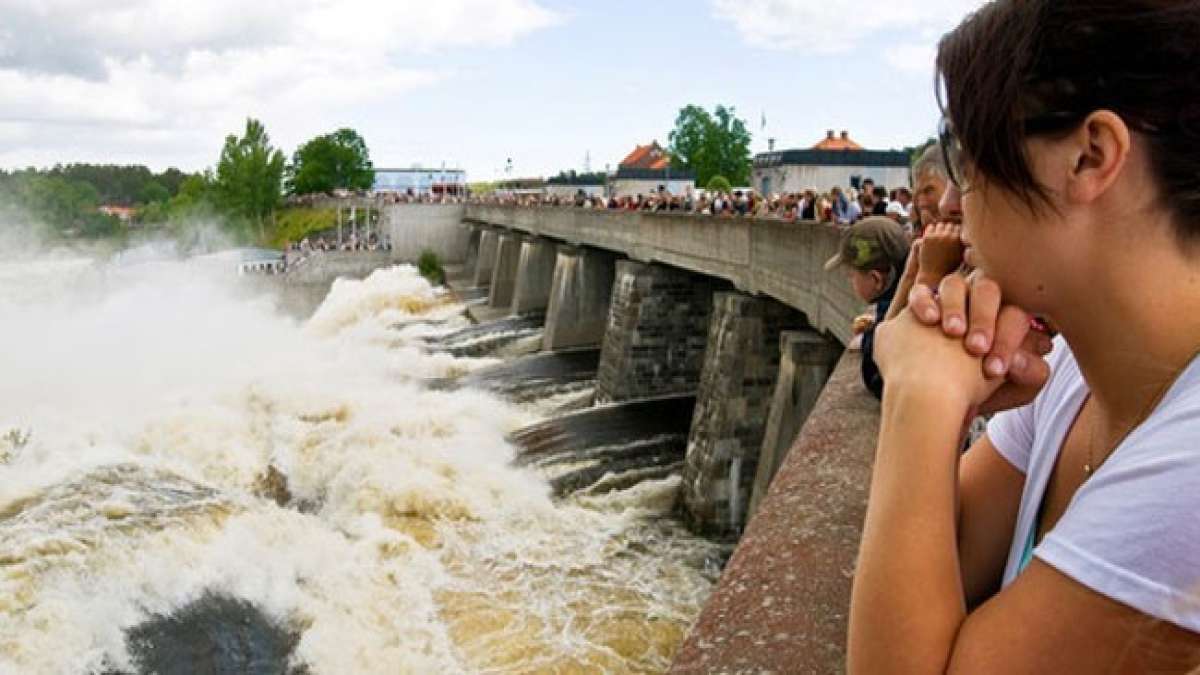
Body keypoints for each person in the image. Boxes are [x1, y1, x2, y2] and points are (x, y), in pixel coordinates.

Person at [849, 1, 1200, 672]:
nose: (954, 201)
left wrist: (920, 399)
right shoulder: (1075, 369)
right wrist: (945, 401)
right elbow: (936, 559)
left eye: (967, 152)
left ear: (1090, 157)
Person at [823, 216, 910, 399]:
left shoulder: (896, 309)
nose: (849, 281)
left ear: (876, 280)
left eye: (851, 275)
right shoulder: (907, 294)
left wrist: (869, 339)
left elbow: (874, 376)